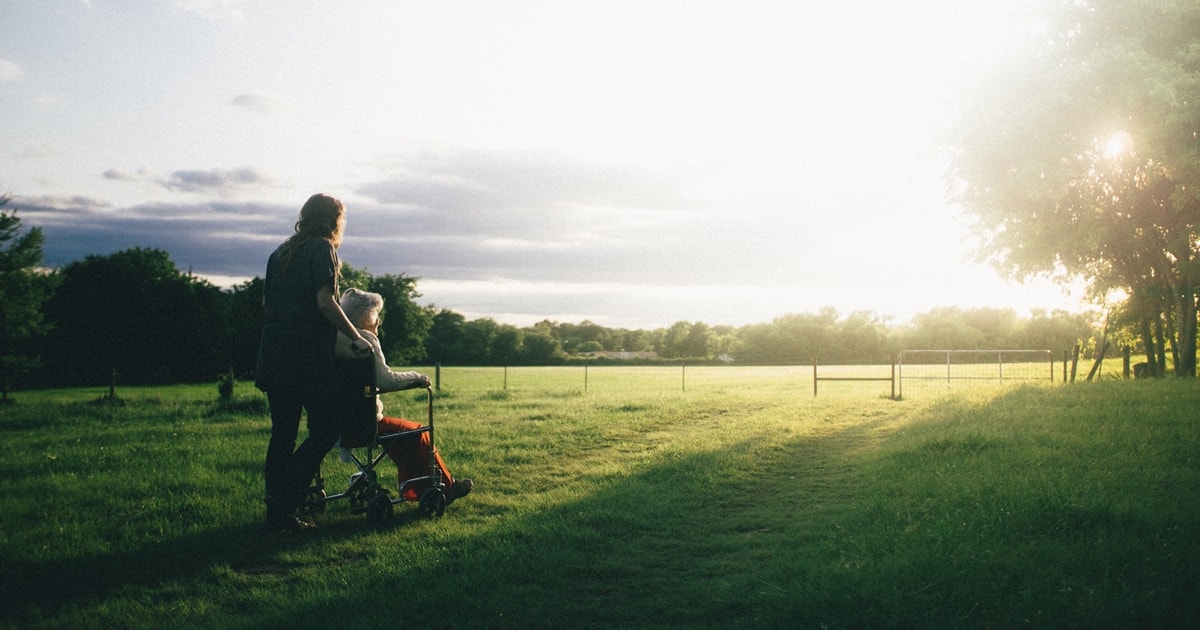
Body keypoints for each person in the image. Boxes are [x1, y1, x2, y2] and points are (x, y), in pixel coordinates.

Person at [255, 194, 372, 532]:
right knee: (327, 429)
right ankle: (284, 497)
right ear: (334, 220)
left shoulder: (279, 254)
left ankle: (277, 512)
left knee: (283, 434)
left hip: (273, 354)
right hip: (305, 358)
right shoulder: (322, 249)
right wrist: (355, 336)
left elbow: (267, 303)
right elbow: (326, 302)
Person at [335, 288, 473, 505]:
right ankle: (446, 486)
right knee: (417, 431)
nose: (379, 321)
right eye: (376, 314)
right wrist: (417, 378)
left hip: (336, 422)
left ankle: (415, 490)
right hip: (364, 423)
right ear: (364, 316)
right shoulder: (365, 340)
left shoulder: (334, 339)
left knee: (401, 434)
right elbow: (386, 380)